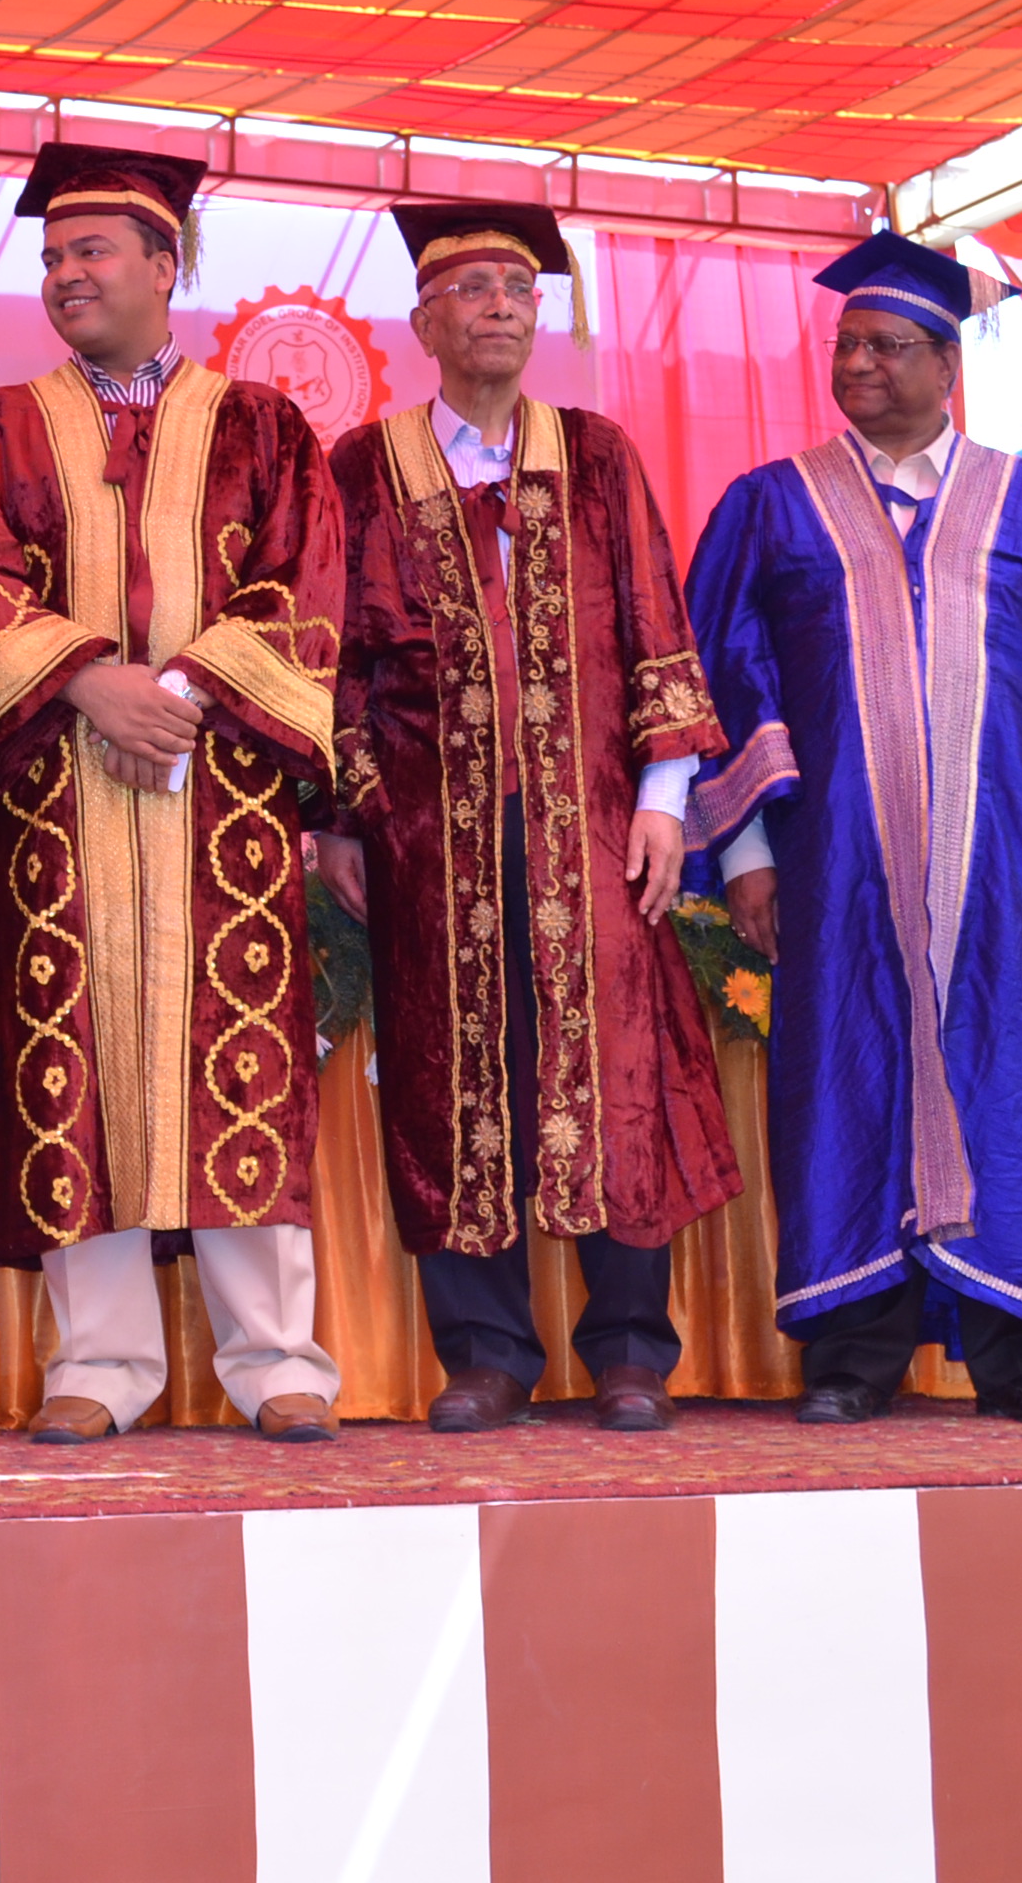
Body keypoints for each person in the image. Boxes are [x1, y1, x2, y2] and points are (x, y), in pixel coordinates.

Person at [0, 146, 347, 1442]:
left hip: (220, 787)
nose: (66, 274)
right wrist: (86, 682)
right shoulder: (2, 425)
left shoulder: (264, 426)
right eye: (52, 256)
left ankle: (276, 1360)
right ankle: (98, 1367)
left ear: (166, 267)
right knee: (69, 1061)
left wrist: (181, 693)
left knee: (238, 1049)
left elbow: (302, 592)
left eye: (92, 252)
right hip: (56, 790)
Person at [683, 231, 1022, 1426]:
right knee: (842, 1082)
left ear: (948, 365)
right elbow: (722, 684)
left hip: (1002, 874)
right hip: (836, 870)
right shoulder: (770, 508)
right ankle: (853, 1356)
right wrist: (747, 854)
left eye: (887, 346)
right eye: (847, 345)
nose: (859, 365)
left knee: (1019, 1086)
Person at [320, 204, 738, 1436]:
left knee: (618, 1069)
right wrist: (342, 814)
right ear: (423, 323)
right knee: (452, 1077)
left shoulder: (595, 455)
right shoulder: (365, 467)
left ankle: (630, 1350)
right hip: (428, 832)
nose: (500, 305)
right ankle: (486, 1353)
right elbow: (333, 655)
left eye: (518, 287)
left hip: (594, 825)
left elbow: (655, 622)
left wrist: (664, 802)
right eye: (472, 288)